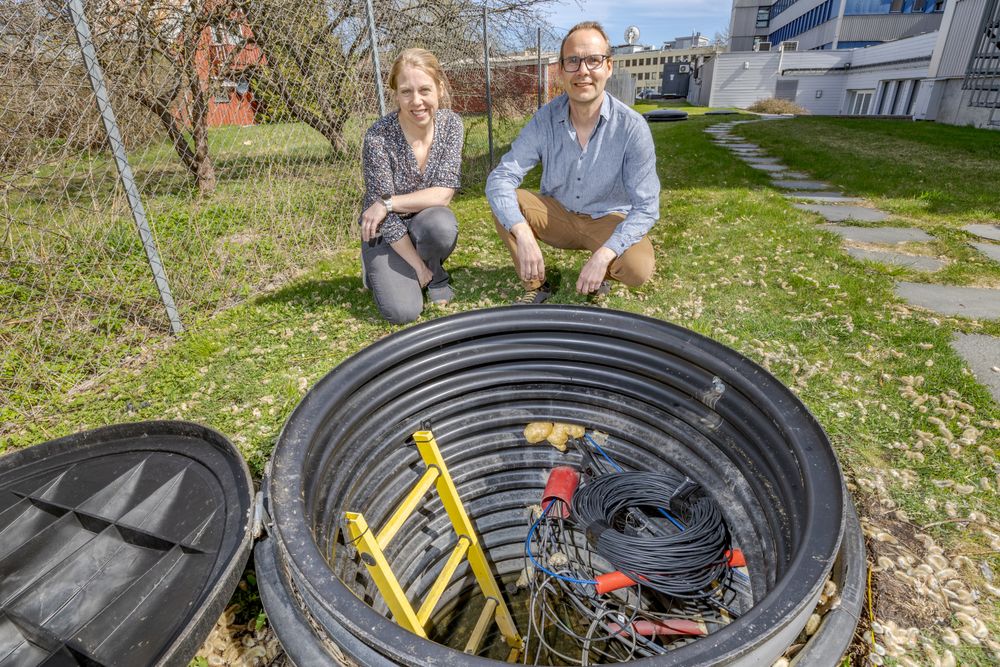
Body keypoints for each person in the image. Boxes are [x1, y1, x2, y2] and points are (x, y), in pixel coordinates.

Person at [485, 21, 660, 303]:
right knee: (505, 200)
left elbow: (647, 208)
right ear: (562, 69)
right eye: (573, 61)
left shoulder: (632, 127)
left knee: (637, 268)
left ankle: (601, 274)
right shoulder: (544, 119)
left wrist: (605, 253)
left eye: (593, 60)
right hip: (559, 216)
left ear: (609, 67)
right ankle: (536, 285)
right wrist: (523, 234)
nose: (583, 71)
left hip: (607, 220)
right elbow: (501, 178)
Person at [359, 48, 463, 324]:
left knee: (441, 224)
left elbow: (443, 193)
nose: (417, 101)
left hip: (422, 223)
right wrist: (417, 268)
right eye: (406, 92)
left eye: (424, 90)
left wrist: (387, 203)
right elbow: (385, 219)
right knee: (404, 312)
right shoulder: (378, 137)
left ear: (439, 89)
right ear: (396, 94)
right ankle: (379, 267)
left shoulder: (452, 125)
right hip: (384, 231)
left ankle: (435, 272)